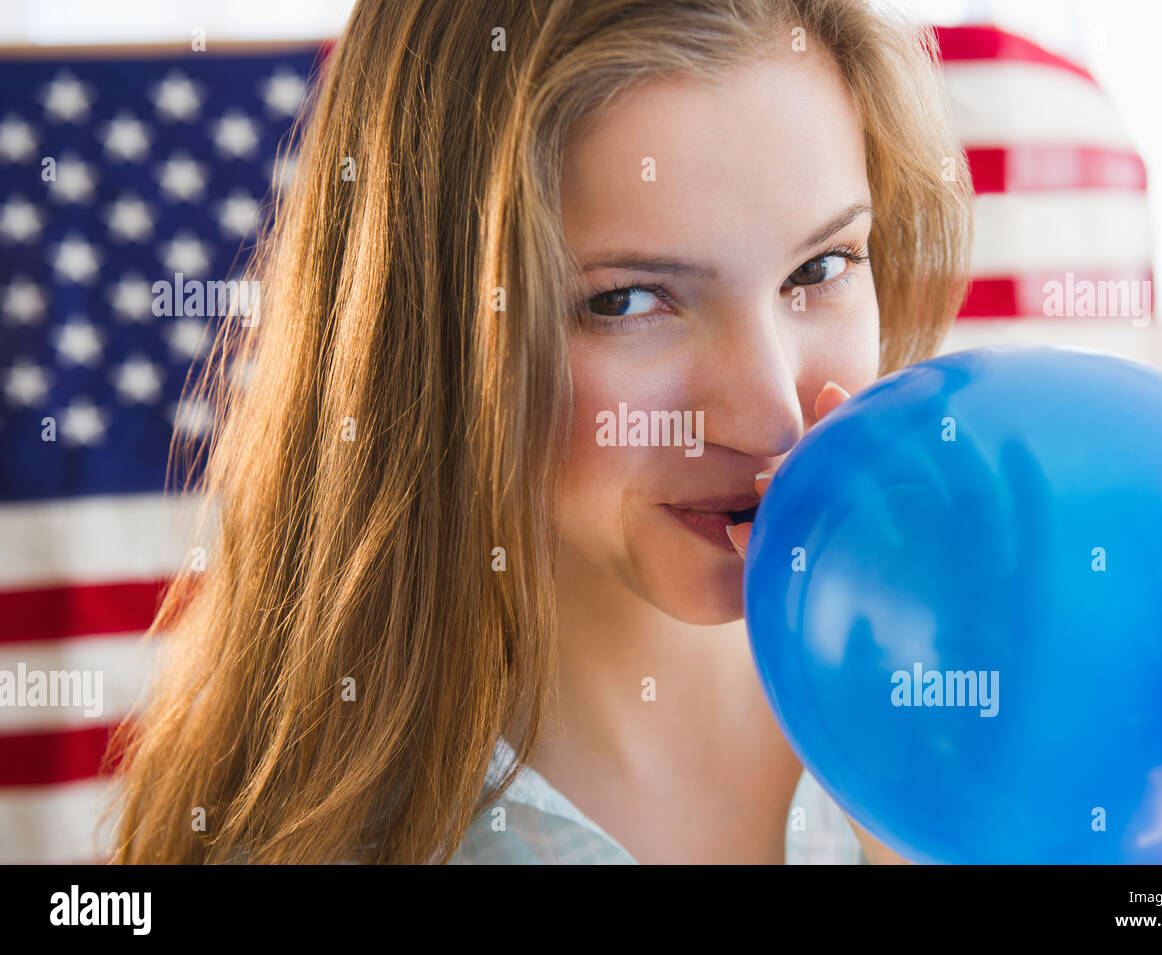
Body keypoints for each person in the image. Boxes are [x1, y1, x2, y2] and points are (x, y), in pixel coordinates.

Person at [106, 0, 972, 865]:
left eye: (821, 267)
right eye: (624, 301)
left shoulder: (1010, 679)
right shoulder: (307, 836)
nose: (772, 416)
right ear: (435, 328)